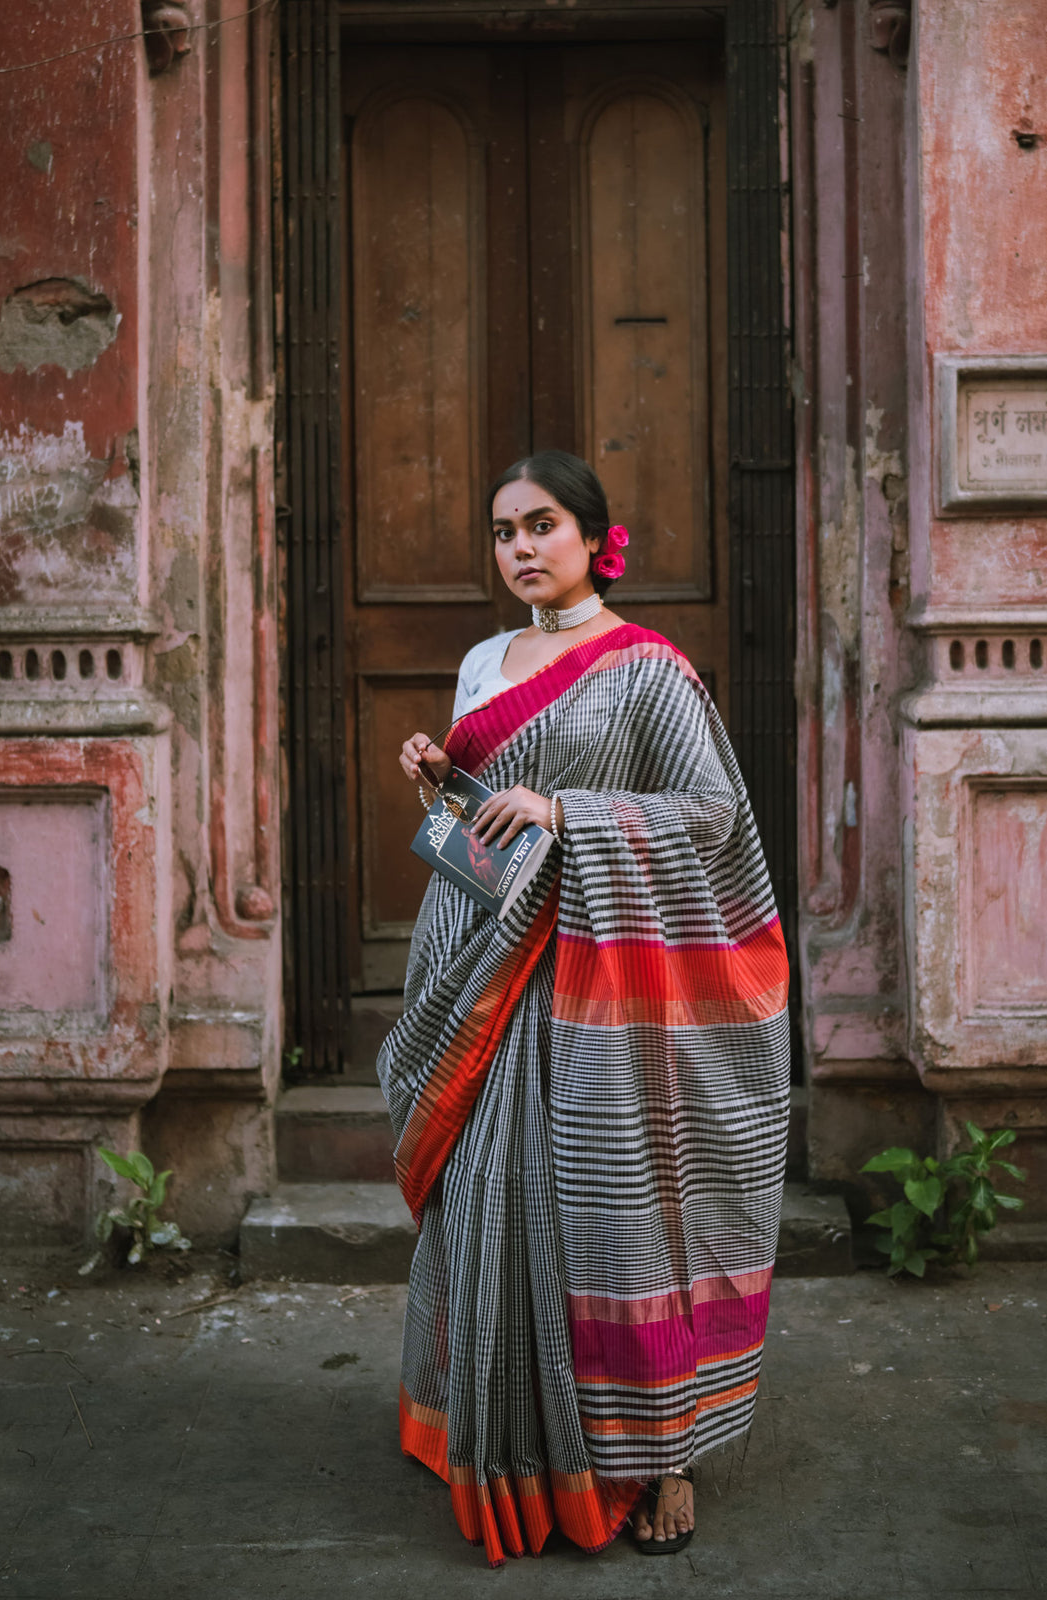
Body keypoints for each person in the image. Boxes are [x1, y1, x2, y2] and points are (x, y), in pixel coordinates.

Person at [380, 450, 790, 1566]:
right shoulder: (481, 661)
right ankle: (505, 1432)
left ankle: (663, 1456)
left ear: (593, 537)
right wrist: (441, 782)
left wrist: (569, 808)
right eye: (503, 530)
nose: (519, 547)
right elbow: (481, 820)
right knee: (485, 1197)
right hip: (482, 964)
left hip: (603, 981)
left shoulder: (649, 670)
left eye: (541, 524)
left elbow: (712, 814)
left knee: (620, 1212)